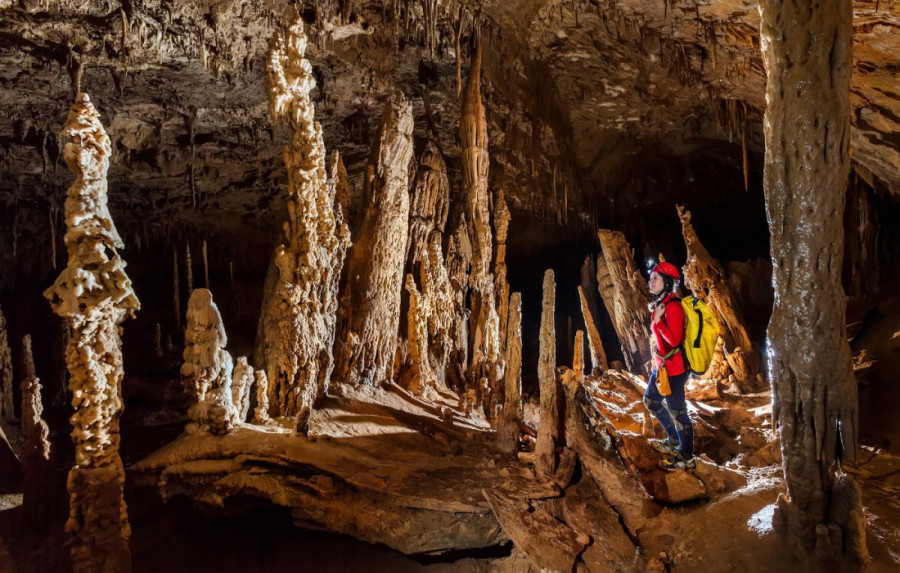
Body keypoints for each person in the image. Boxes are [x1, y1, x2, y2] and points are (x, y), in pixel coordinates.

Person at [644, 261, 695, 470]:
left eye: (656, 278)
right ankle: (674, 441)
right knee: (651, 401)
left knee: (679, 414)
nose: (651, 281)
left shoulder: (673, 307)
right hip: (663, 368)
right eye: (652, 277)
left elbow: (673, 340)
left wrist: (657, 322)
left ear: (667, 283)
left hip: (674, 370)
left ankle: (687, 457)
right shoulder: (662, 305)